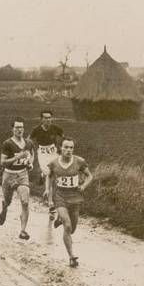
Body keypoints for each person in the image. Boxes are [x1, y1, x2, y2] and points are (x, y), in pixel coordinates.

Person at [48, 138, 94, 267]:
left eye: (71, 148)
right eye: (66, 147)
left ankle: (60, 219)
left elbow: (90, 176)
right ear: (61, 148)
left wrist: (84, 186)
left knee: (72, 230)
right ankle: (71, 256)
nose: (69, 150)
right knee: (67, 226)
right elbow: (49, 176)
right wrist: (48, 192)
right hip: (60, 197)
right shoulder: (54, 163)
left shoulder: (79, 161)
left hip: (75, 198)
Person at [0, 117, 35, 239]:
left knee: (25, 202)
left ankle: (23, 231)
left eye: (21, 127)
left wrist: (30, 163)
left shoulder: (28, 143)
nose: (19, 129)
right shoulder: (7, 143)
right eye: (17, 127)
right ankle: (5, 206)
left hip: (23, 174)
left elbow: (32, 154)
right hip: (9, 175)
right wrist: (17, 157)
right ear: (12, 129)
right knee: (8, 200)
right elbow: (3, 162)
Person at [30, 110, 64, 214]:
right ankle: (50, 203)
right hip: (43, 153)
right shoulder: (36, 130)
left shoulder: (55, 128)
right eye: (45, 118)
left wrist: (61, 147)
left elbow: (63, 136)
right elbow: (29, 140)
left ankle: (43, 175)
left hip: (53, 152)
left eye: (49, 118)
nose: (48, 120)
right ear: (41, 119)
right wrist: (31, 149)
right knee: (50, 174)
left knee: (56, 175)